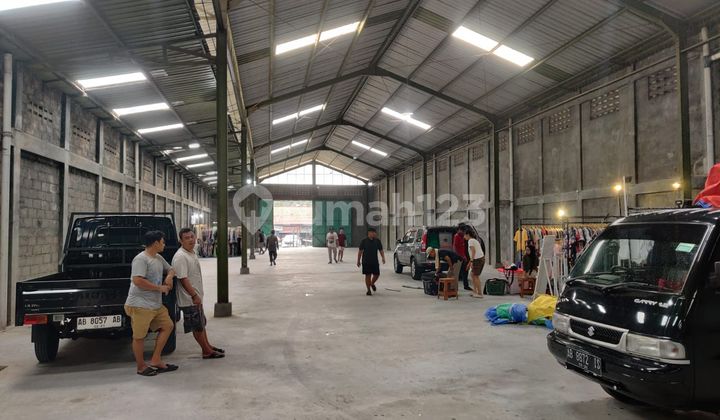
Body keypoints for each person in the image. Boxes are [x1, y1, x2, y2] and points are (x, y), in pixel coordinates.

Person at [124, 230, 178, 377]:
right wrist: (159, 288)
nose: (164, 245)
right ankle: (141, 366)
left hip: (155, 304)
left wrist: (169, 277)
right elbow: (138, 281)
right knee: (139, 336)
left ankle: (156, 360)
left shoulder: (158, 257)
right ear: (155, 243)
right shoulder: (141, 259)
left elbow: (171, 269)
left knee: (168, 326)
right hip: (140, 305)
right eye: (163, 242)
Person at [173, 228, 225, 360]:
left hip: (196, 297)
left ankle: (208, 346)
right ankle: (206, 351)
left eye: (192, 236)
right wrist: (194, 296)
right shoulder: (180, 257)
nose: (191, 240)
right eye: (187, 238)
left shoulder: (191, 252)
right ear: (181, 241)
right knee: (197, 326)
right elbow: (183, 279)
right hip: (189, 298)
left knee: (201, 324)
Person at [357, 227, 385, 295]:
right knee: (368, 275)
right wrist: (358, 260)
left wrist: (383, 257)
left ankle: (372, 283)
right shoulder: (364, 241)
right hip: (366, 261)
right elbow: (360, 251)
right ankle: (368, 290)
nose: (375, 234)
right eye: (373, 232)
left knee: (377, 274)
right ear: (369, 233)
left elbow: (381, 250)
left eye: (375, 233)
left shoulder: (377, 241)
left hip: (374, 261)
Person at [465, 229, 486, 298]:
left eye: (465, 235)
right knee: (472, 274)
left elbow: (473, 251)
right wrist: (470, 262)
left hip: (478, 259)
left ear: (468, 235)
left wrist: (471, 261)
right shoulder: (474, 240)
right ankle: (475, 291)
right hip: (478, 259)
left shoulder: (470, 241)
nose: (464, 237)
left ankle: (480, 293)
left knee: (475, 275)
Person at [454, 224, 471, 291]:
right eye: (462, 231)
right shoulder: (457, 236)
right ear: (459, 230)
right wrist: (460, 257)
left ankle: (466, 286)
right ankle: (454, 287)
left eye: (464, 231)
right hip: (460, 257)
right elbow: (456, 248)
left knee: (465, 271)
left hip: (465, 256)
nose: (463, 232)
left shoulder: (463, 236)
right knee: (457, 273)